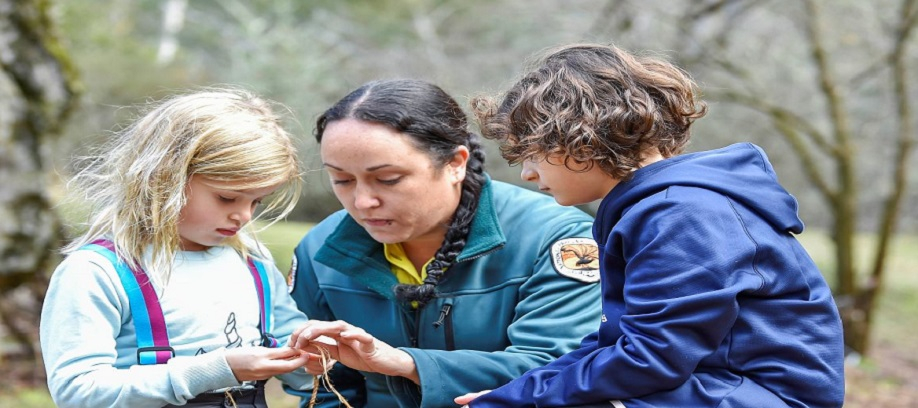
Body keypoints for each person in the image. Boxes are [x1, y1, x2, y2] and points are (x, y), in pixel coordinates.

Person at [451, 43, 846, 407]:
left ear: (582, 140)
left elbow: (651, 359)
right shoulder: (657, 207)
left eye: (531, 154)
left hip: (763, 396)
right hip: (713, 386)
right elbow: (619, 345)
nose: (527, 175)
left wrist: (521, 400)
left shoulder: (683, 214)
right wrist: (515, 392)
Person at [282, 78, 602, 408]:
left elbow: (557, 368)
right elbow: (322, 386)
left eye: (388, 179)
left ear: (455, 164)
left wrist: (406, 364)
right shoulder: (320, 251)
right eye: (342, 180)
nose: (362, 201)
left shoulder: (556, 238)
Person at [40, 89, 323, 408]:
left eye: (257, 201)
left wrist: (316, 357)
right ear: (164, 178)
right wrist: (219, 370)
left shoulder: (253, 264)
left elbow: (302, 371)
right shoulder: (96, 273)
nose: (243, 215)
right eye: (227, 198)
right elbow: (79, 393)